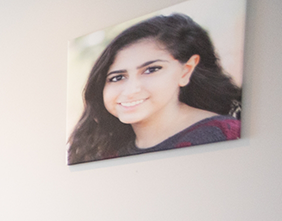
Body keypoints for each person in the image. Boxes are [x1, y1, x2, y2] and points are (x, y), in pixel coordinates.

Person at [67, 13, 241, 165]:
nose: (131, 90)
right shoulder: (104, 151)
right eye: (117, 77)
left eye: (151, 70)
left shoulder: (222, 134)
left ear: (186, 70)